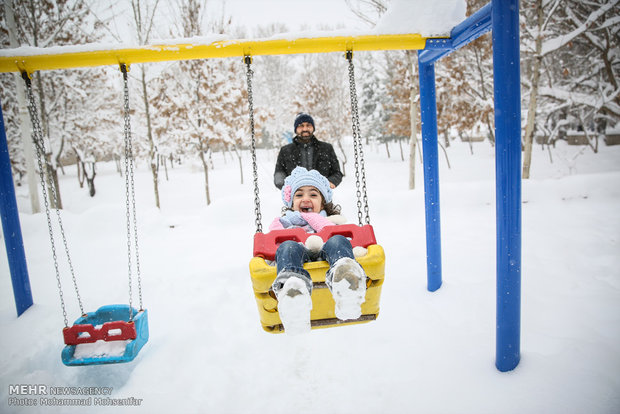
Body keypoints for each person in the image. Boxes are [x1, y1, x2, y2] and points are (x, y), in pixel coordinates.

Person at [269, 166, 366, 334]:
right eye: (299, 195)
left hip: (327, 255)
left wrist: (355, 250)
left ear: (323, 202)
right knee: (287, 246)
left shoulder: (332, 222)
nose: (306, 199)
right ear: (291, 202)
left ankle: (347, 283)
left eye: (313, 194)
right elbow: (272, 250)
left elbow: (351, 242)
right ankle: (293, 295)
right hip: (297, 258)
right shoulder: (282, 226)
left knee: (338, 239)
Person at [273, 113, 343, 190]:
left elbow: (337, 173)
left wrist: (329, 182)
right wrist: (285, 185)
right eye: (301, 126)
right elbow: (279, 173)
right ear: (296, 129)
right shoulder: (286, 150)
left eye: (308, 125)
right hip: (295, 196)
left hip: (322, 196)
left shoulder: (326, 148)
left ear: (313, 128)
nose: (305, 129)